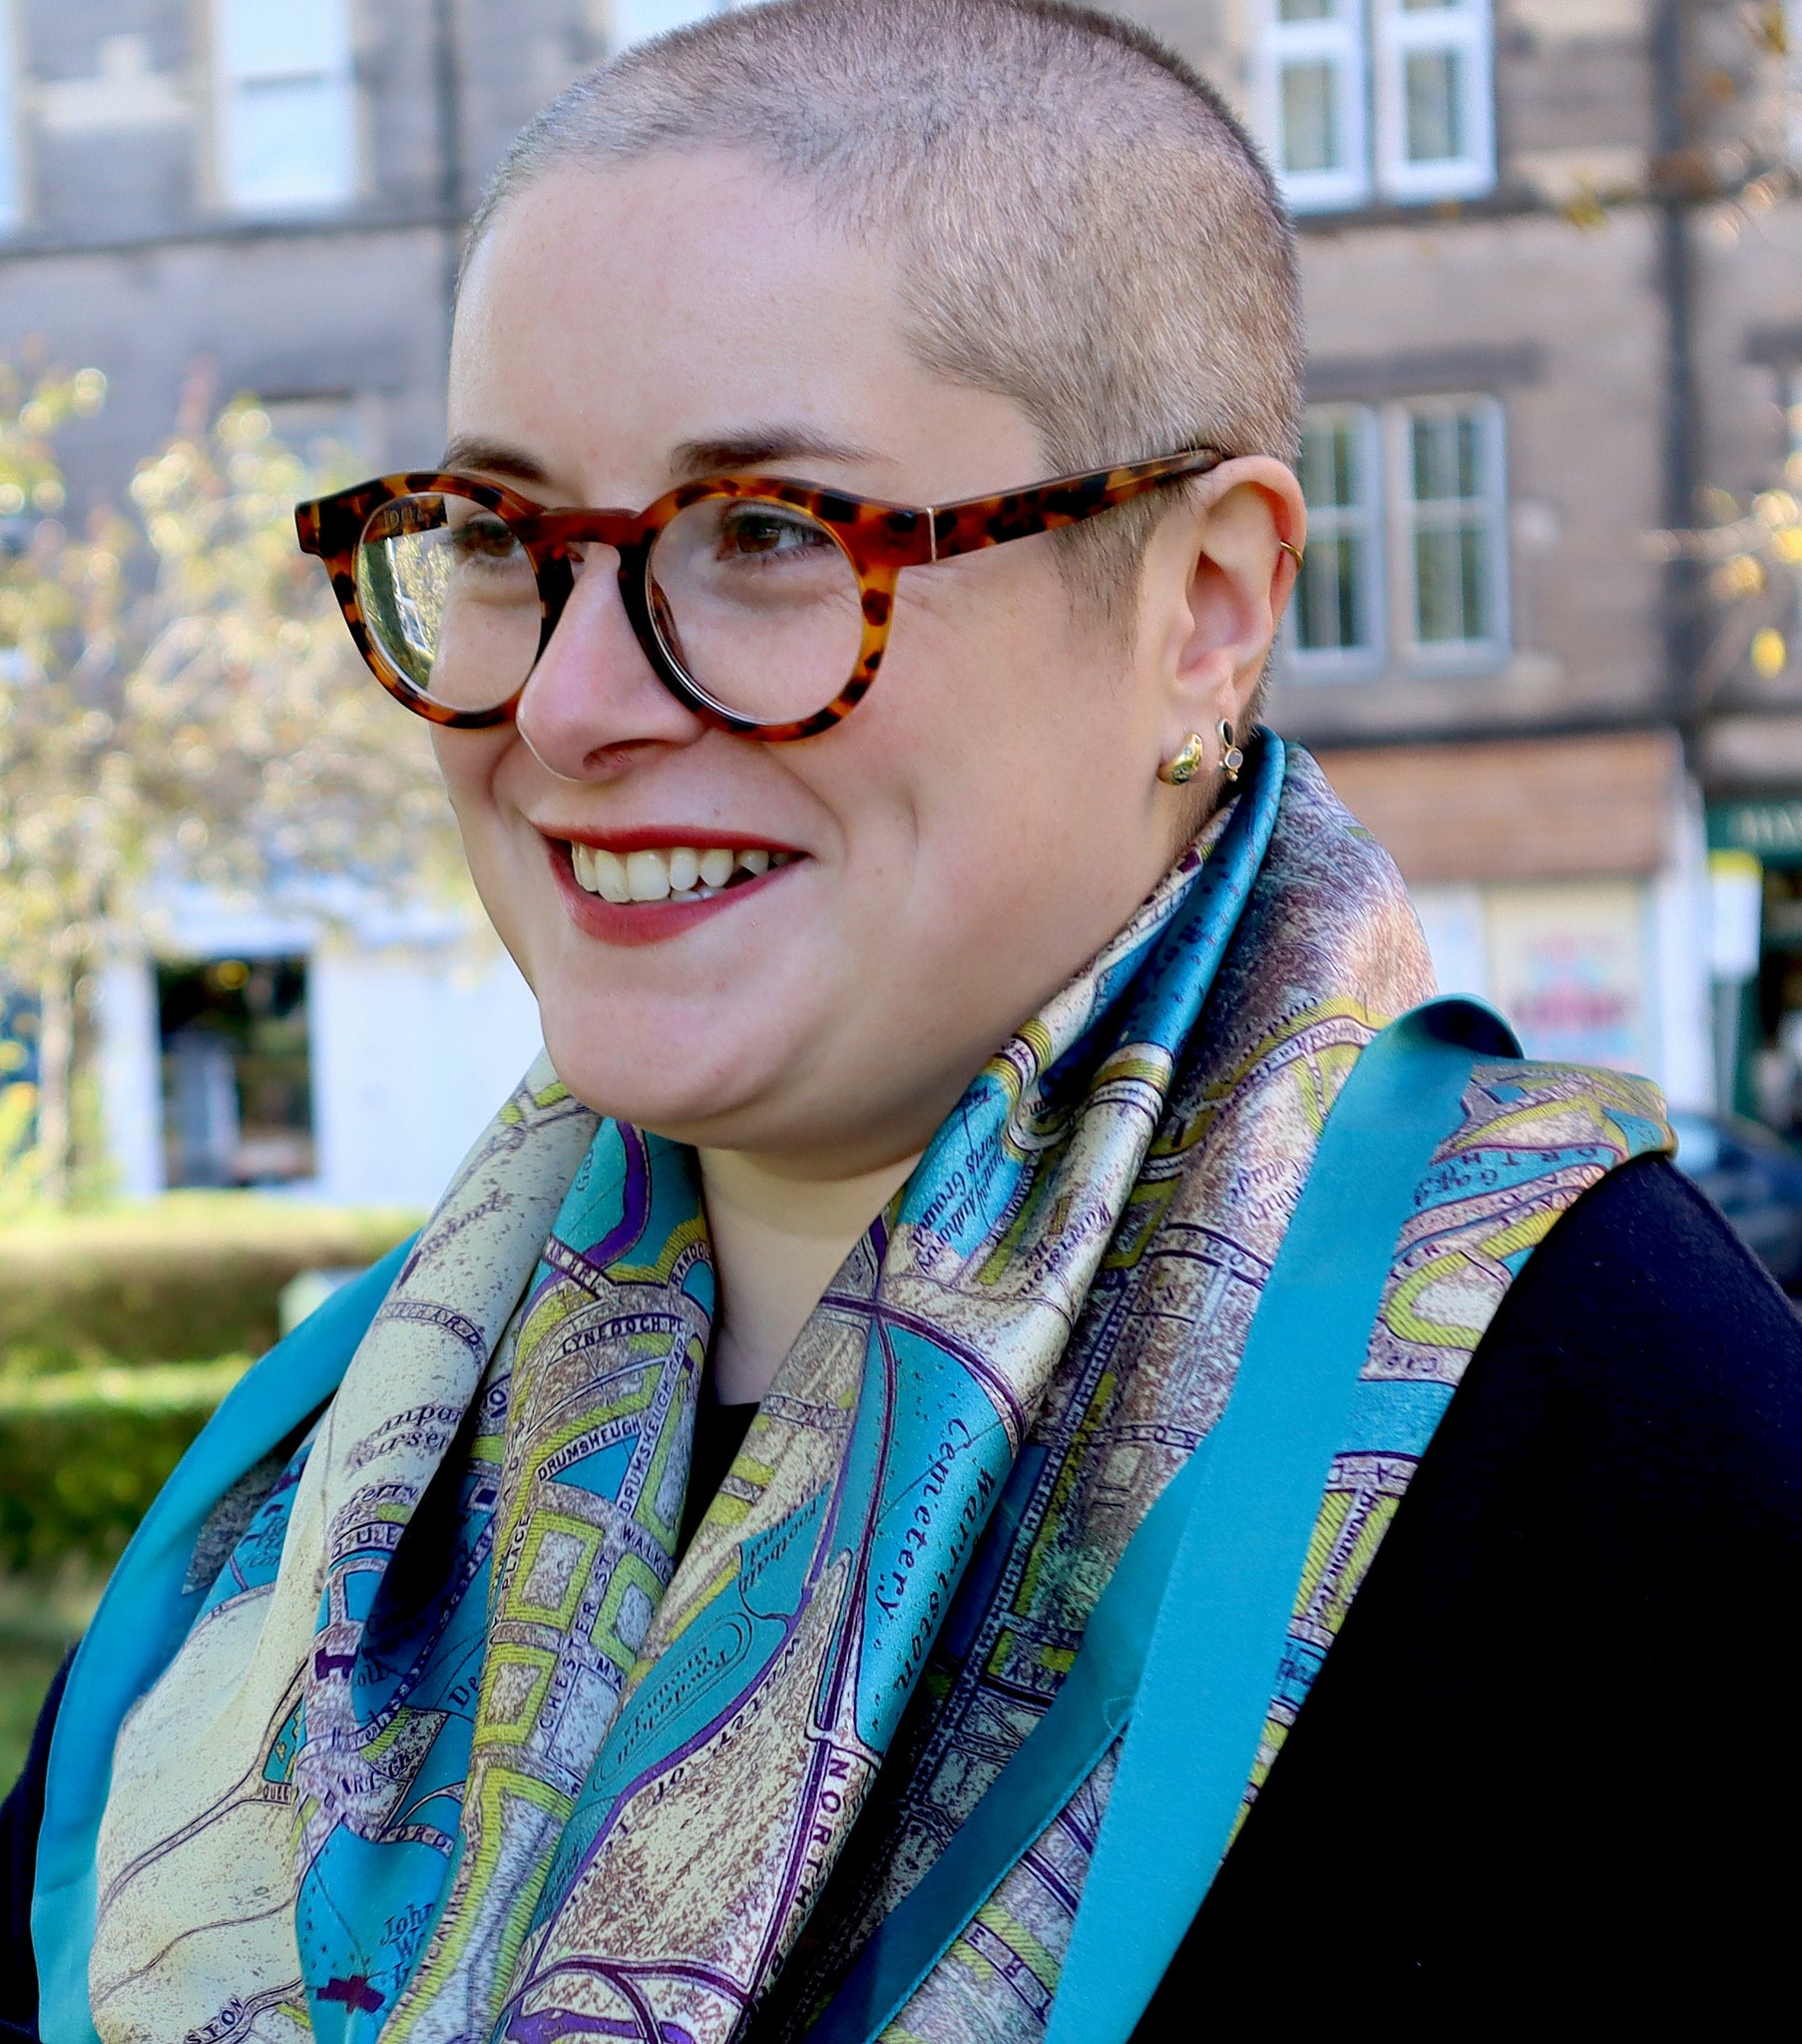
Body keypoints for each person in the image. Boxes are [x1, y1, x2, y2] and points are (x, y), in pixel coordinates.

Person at [7, 3, 1802, 2038]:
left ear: (1205, 607)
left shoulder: (1611, 1441)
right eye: (504, 540)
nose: (570, 707)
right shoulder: (314, 1495)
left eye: (767, 535)